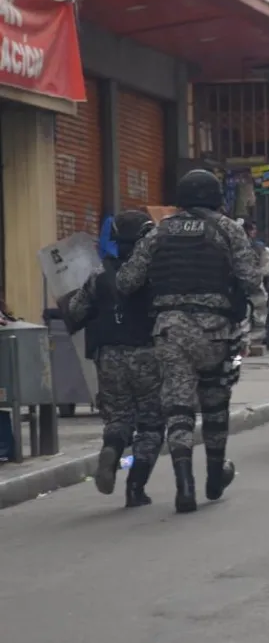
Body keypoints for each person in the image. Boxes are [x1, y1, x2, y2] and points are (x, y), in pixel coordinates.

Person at [117, 170, 264, 513]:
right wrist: (254, 329)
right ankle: (215, 475)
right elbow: (251, 280)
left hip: (170, 330)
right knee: (215, 404)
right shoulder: (228, 229)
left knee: (179, 410)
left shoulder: (160, 231)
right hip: (216, 330)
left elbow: (127, 281)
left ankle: (185, 487)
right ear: (215, 196)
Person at [62, 211, 163, 508]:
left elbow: (76, 312)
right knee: (151, 424)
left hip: (107, 356)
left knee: (118, 417)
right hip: (147, 353)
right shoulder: (156, 274)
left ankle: (112, 448)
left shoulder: (99, 275)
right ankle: (136, 487)